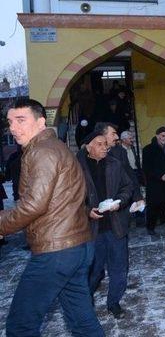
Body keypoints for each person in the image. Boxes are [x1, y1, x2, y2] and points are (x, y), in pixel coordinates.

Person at [0, 99, 103, 336]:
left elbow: (34, 204)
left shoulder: (42, 151)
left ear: (41, 121)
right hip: (76, 246)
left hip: (56, 251)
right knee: (82, 323)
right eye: (10, 122)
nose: (13, 128)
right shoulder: (55, 147)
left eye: (21, 120)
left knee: (20, 326)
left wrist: (3, 225)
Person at [77, 131, 134, 319]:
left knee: (119, 269)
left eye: (105, 144)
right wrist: (86, 211)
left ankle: (114, 302)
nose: (105, 147)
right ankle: (86, 301)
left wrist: (120, 201)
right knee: (94, 271)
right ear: (88, 147)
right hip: (91, 231)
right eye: (100, 144)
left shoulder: (115, 164)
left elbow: (128, 187)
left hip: (115, 226)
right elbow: (69, 199)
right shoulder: (77, 168)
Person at [96, 122, 142, 202]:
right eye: (113, 134)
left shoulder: (121, 151)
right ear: (102, 136)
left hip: (119, 201)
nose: (117, 137)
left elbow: (129, 174)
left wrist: (138, 197)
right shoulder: (87, 154)